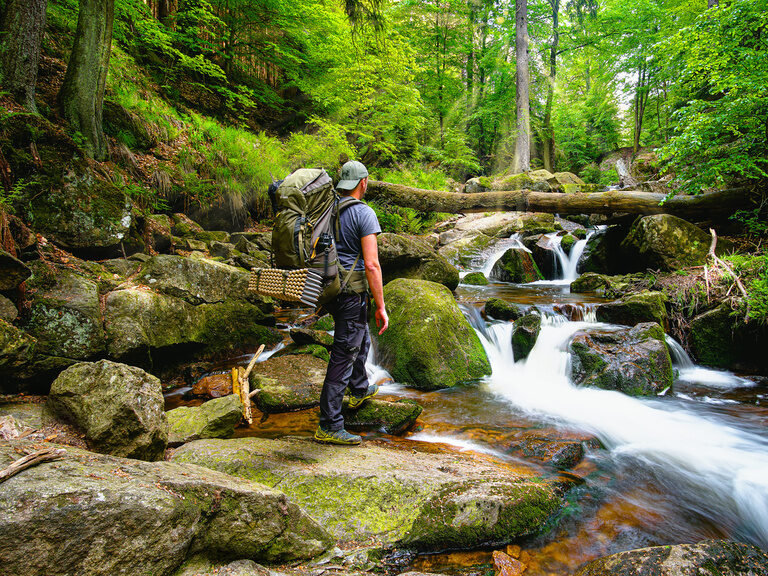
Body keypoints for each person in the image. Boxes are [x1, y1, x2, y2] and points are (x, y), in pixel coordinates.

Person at [314, 160, 389, 446]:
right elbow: (372, 265)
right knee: (344, 354)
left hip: (329, 288)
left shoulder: (328, 209)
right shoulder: (364, 213)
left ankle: (358, 390)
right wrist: (381, 306)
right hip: (350, 291)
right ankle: (329, 424)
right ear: (364, 182)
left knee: (359, 337)